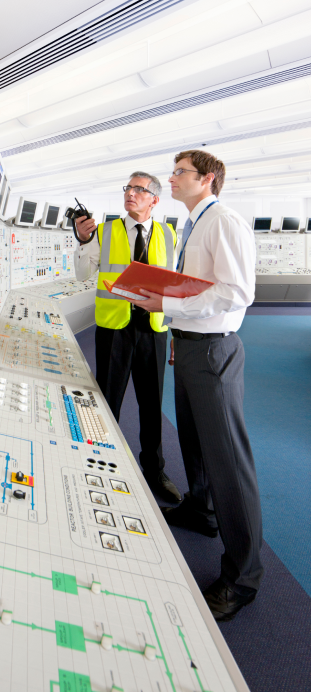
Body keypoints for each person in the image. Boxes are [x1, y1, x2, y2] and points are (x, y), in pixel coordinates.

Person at [137, 149, 263, 622]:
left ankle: (243, 577)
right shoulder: (195, 223)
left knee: (229, 462)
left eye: (180, 172)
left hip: (213, 351)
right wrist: (171, 316)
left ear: (207, 179)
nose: (171, 178)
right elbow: (199, 286)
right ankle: (201, 511)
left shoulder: (223, 220)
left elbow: (236, 292)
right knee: (193, 442)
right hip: (190, 345)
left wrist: (168, 309)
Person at [74, 171, 181, 504]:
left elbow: (174, 283)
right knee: (106, 400)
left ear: (154, 199)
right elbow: (83, 274)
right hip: (114, 326)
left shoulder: (169, 234)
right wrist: (81, 241)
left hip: (153, 328)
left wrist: (175, 330)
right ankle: (100, 462)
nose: (130, 193)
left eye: (139, 189)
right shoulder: (104, 232)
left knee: (152, 405)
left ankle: (154, 470)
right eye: (128, 188)